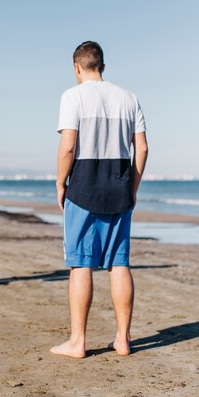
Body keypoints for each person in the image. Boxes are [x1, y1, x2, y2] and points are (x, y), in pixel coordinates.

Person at [51, 41, 148, 358]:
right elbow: (142, 149)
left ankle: (77, 342)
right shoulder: (129, 98)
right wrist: (132, 187)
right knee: (119, 264)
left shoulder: (73, 96)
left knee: (81, 265)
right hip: (119, 187)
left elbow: (68, 147)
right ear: (102, 66)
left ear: (77, 67)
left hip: (84, 187)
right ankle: (123, 339)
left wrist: (60, 182)